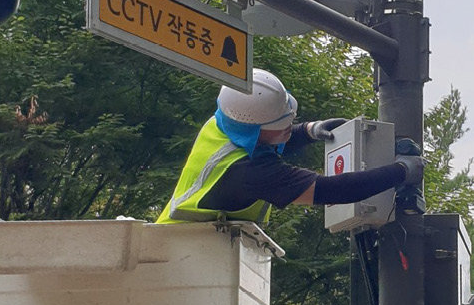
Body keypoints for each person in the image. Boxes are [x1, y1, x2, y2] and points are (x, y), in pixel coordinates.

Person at [156, 69, 423, 225]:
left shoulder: (224, 122)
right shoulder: (251, 174)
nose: (290, 123)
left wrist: (308, 131)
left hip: (183, 246)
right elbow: (333, 190)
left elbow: (264, 142)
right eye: (283, 122)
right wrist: (401, 171)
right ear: (256, 128)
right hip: (183, 259)